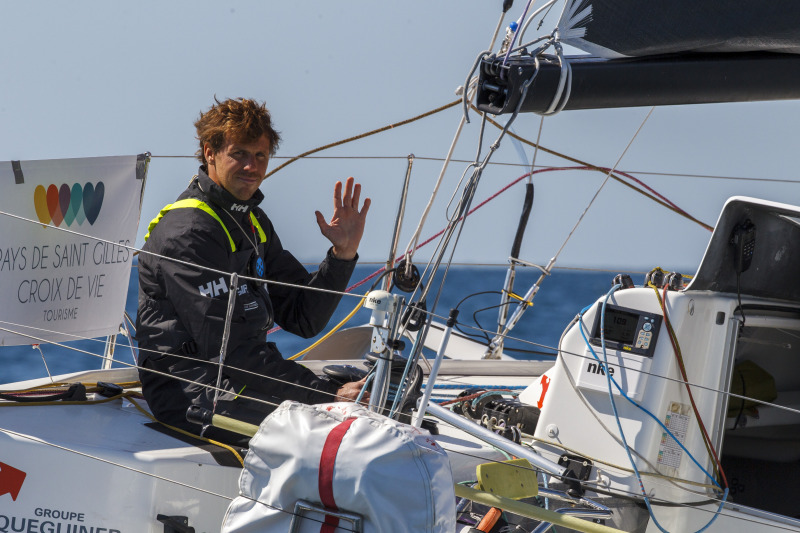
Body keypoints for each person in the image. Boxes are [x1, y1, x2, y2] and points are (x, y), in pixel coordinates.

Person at [136, 97, 370, 445]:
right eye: (240, 154)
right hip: (191, 392)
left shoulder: (249, 220)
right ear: (210, 153)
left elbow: (302, 317)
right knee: (346, 435)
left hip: (235, 378)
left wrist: (342, 255)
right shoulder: (188, 233)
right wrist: (329, 394)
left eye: (260, 156)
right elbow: (230, 351)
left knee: (380, 419)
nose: (252, 166)